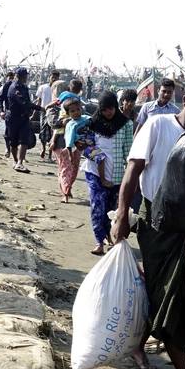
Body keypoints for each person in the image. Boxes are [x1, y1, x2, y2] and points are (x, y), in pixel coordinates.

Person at [113, 90, 185, 369]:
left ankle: (153, 341)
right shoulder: (158, 126)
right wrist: (122, 215)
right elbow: (133, 171)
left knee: (179, 291)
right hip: (156, 221)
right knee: (162, 291)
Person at [73, 90, 133, 255]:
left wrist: (132, 172)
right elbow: (80, 144)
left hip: (116, 174)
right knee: (97, 207)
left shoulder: (126, 124)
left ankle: (110, 236)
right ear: (100, 109)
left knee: (112, 209)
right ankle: (99, 241)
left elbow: (128, 151)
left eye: (112, 108)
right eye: (105, 109)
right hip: (94, 173)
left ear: (116, 107)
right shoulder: (92, 123)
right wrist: (96, 155)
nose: (109, 112)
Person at [0, 66, 39, 172]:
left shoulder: (25, 87)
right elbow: (23, 101)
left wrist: (31, 112)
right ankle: (16, 161)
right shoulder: (12, 87)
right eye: (23, 76)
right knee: (13, 141)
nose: (25, 78)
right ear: (18, 76)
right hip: (12, 117)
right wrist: (1, 110)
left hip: (23, 117)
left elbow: (27, 101)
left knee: (24, 139)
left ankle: (20, 162)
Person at [47, 91, 83, 201]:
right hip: (61, 143)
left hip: (76, 145)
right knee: (65, 168)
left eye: (78, 109)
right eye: (72, 110)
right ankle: (65, 192)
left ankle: (67, 188)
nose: (76, 112)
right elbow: (56, 129)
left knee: (74, 167)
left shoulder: (82, 119)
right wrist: (53, 140)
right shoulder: (60, 117)